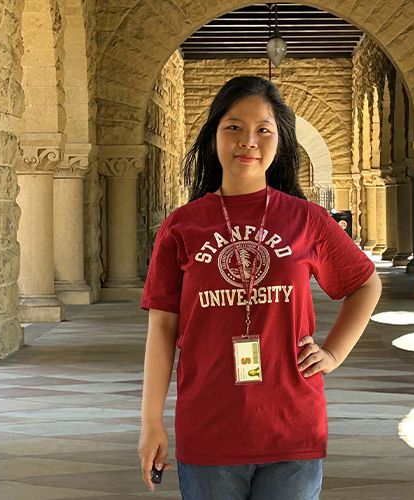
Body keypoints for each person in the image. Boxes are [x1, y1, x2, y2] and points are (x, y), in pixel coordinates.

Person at [137, 75, 382, 499]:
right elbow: (162, 327)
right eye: (233, 127)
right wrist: (150, 422)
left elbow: (365, 284)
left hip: (292, 424)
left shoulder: (306, 219)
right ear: (214, 135)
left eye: (262, 130)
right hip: (209, 426)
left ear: (279, 141)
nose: (247, 140)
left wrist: (333, 353)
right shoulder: (182, 226)